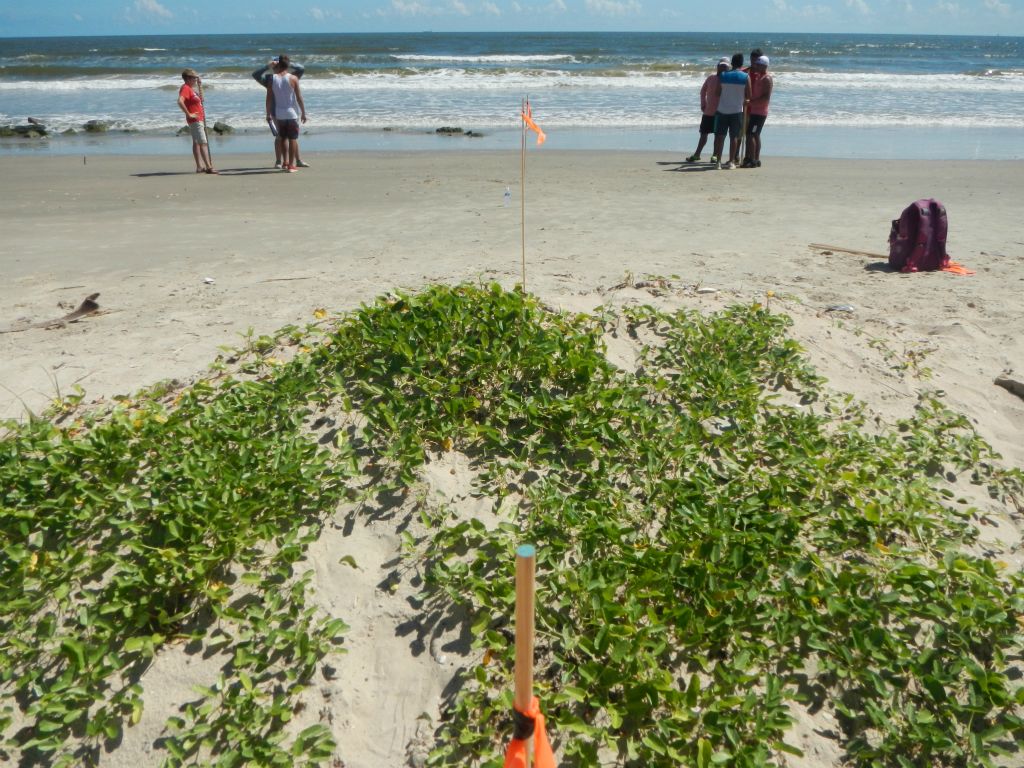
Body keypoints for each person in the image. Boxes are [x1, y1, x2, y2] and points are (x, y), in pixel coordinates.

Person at [252, 57, 309, 169]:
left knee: (292, 137)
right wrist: (268, 66)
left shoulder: (291, 77)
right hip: (275, 111)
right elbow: (255, 75)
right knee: (281, 137)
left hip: (286, 111)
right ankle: (279, 160)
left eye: (277, 66)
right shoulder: (270, 79)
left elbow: (301, 68)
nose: (275, 68)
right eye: (274, 66)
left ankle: (297, 160)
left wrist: (287, 63)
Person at [686, 58, 730, 163]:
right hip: (708, 111)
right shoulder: (711, 78)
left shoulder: (728, 80)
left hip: (720, 112)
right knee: (703, 134)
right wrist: (703, 103)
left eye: (725, 67)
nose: (723, 68)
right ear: (717, 66)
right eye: (721, 66)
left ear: (729, 68)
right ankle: (697, 154)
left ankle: (714, 155)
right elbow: (703, 91)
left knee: (717, 135)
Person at [711, 53, 751, 170]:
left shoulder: (723, 75)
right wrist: (744, 99)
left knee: (720, 137)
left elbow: (717, 93)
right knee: (734, 137)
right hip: (737, 110)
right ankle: (731, 161)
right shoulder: (745, 77)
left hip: (722, 109)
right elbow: (749, 95)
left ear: (732, 63)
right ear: (742, 63)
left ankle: (718, 161)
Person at [177, 68, 217, 174]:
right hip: (195, 120)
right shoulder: (185, 88)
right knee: (203, 142)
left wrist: (200, 86)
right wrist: (189, 114)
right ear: (188, 78)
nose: (196, 80)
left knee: (197, 143)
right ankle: (209, 167)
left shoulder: (191, 89)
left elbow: (201, 100)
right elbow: (180, 101)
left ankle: (200, 167)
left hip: (198, 119)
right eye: (194, 78)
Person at [742, 56, 773, 168]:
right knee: (754, 134)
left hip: (760, 112)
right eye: (756, 64)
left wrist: (750, 103)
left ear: (764, 66)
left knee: (751, 134)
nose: (756, 67)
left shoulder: (766, 79)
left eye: (759, 65)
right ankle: (755, 158)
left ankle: (753, 159)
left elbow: (765, 98)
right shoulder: (760, 77)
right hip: (755, 111)